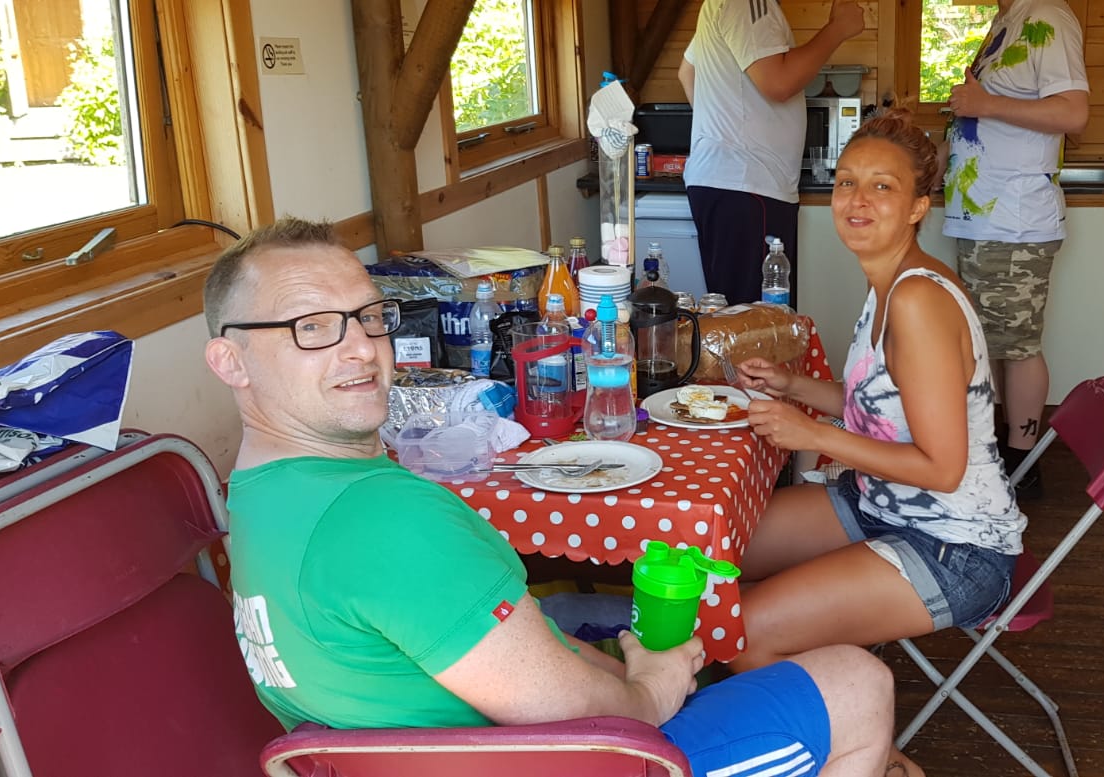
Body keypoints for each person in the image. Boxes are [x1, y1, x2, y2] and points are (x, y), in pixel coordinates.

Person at [202, 218, 903, 777]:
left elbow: (512, 655)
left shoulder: (255, 499)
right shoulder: (381, 519)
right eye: (311, 326)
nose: (360, 348)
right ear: (229, 360)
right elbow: (564, 704)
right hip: (564, 757)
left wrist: (629, 671)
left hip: (443, 747)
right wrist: (649, 691)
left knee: (591, 619)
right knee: (857, 681)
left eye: (368, 317)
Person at [729, 110, 1023, 679]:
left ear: (917, 207)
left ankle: (857, 728)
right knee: (711, 559)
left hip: (955, 546)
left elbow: (942, 469)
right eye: (846, 182)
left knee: (741, 633)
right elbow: (886, 408)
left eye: (882, 187)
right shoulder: (888, 279)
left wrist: (813, 434)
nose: (857, 200)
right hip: (878, 504)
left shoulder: (918, 300)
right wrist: (792, 386)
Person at [942, 0, 1088, 499]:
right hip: (986, 219)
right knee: (996, 344)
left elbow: (1074, 112)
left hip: (1013, 220)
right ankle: (1005, 453)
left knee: (1018, 346)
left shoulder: (1048, 16)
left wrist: (985, 105)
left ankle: (1023, 467)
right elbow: (976, 119)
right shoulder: (1008, 21)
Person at [679, 0, 866, 305]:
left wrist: (720, 128)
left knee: (741, 317)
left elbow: (687, 72)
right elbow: (778, 83)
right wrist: (837, 29)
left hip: (734, 184)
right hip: (749, 184)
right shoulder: (749, 3)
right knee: (760, 322)